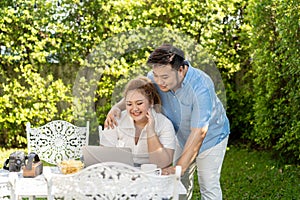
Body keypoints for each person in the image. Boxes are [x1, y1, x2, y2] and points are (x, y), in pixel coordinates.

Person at [105, 44, 230, 200]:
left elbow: (199, 132)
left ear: (181, 70)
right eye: (156, 75)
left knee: (208, 185)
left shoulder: (201, 86)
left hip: (211, 138)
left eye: (164, 77)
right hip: (180, 135)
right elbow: (139, 93)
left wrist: (179, 167)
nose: (158, 81)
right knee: (178, 183)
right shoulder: (156, 76)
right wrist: (116, 107)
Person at [100, 76, 176, 168]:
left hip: (150, 177)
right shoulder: (116, 120)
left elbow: (162, 164)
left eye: (139, 103)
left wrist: (151, 131)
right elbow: (103, 158)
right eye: (129, 104)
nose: (134, 109)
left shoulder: (164, 124)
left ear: (151, 102)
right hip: (120, 175)